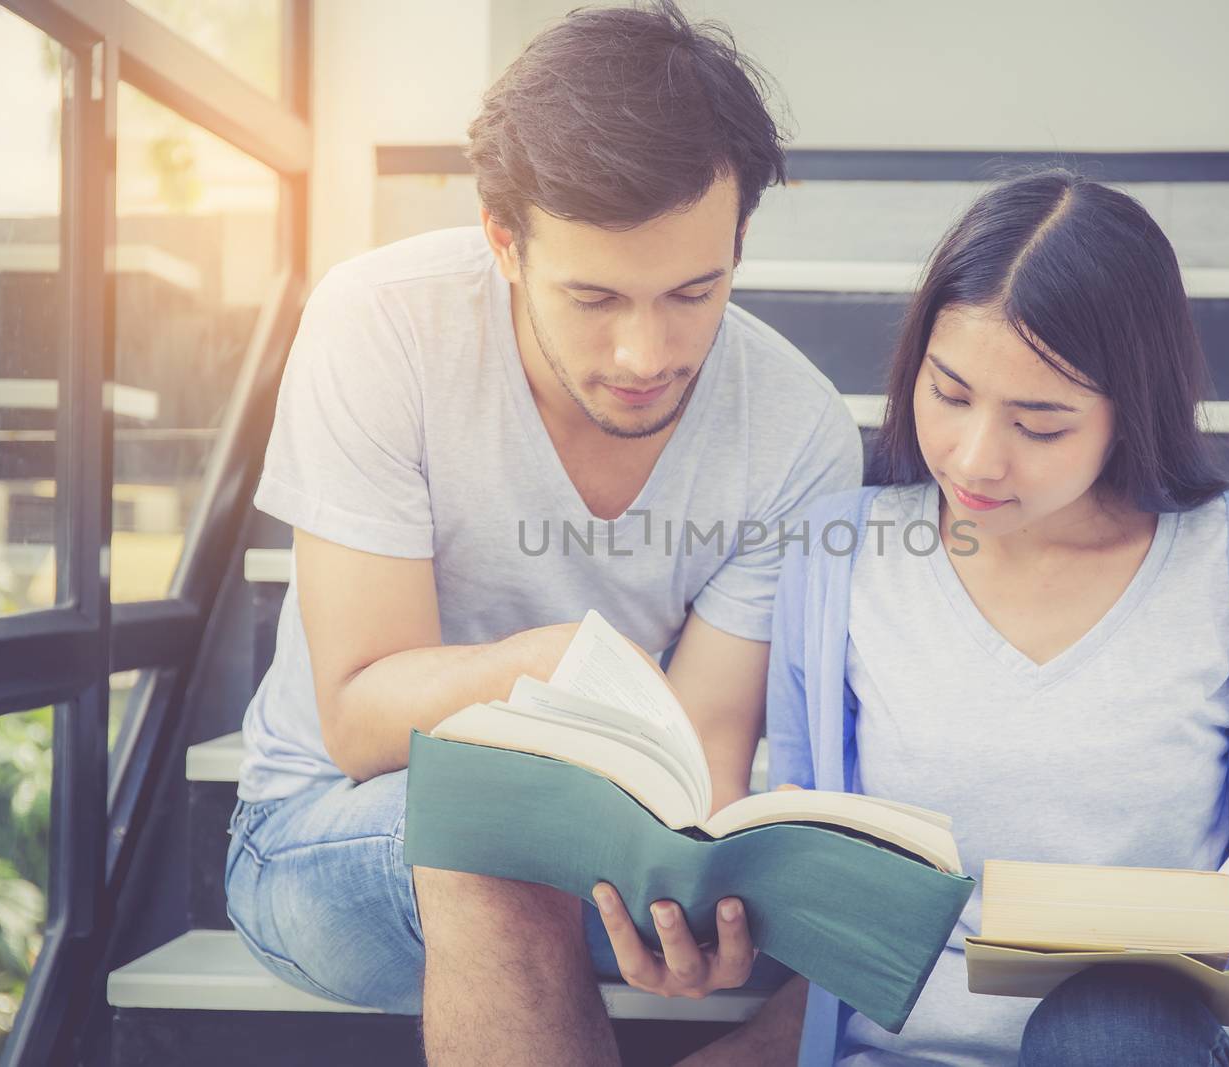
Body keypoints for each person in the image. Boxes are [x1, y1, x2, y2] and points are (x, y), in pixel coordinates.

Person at [223, 4, 859, 1064]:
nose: (644, 351)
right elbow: (360, 714)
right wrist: (543, 667)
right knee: (495, 836)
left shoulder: (795, 428)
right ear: (502, 238)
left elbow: (702, 753)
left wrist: (695, 886)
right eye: (594, 295)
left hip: (601, 857)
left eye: (693, 292)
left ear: (740, 236)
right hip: (328, 831)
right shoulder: (382, 323)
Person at [766, 171, 1229, 1066]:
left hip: (1154, 1045)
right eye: (949, 394)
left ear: (1128, 412)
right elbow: (808, 884)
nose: (976, 456)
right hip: (908, 1053)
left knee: (1106, 1023)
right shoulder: (837, 553)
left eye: (1041, 423)